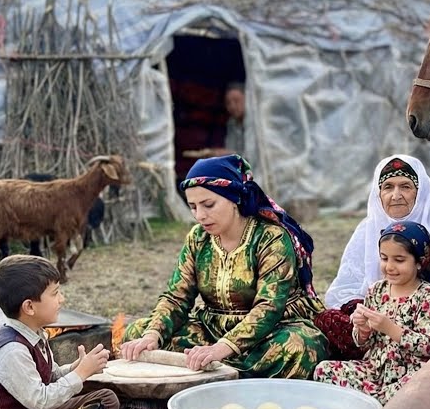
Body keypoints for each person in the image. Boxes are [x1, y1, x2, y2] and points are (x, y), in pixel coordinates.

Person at [119, 154, 328, 378]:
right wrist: (153, 335)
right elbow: (177, 296)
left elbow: (268, 307)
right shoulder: (198, 238)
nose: (200, 215)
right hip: (212, 328)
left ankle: (219, 374)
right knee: (136, 333)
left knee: (301, 346)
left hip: (271, 331)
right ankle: (218, 370)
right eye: (193, 207)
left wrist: (221, 349)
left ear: (234, 198)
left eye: (208, 205)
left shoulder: (271, 237)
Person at [0, 255, 142, 409]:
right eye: (55, 293)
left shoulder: (35, 333)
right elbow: (40, 401)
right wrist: (80, 374)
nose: (62, 299)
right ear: (29, 307)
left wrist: (74, 368)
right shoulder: (11, 349)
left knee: (106, 398)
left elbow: (50, 376)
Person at [317, 154, 430, 359]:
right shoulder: (367, 229)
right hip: (377, 318)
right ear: (378, 193)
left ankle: (410, 362)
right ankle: (382, 359)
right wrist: (361, 313)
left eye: (405, 186)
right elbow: (348, 285)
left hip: (424, 319)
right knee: (328, 319)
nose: (396, 195)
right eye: (388, 187)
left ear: (420, 191)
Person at [313, 221, 430, 403]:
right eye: (384, 258)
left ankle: (372, 403)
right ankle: (376, 403)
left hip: (409, 373)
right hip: (374, 369)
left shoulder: (429, 297)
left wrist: (391, 329)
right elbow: (363, 344)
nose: (389, 267)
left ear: (419, 262)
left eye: (399, 260)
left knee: (414, 389)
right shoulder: (376, 290)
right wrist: (363, 329)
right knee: (324, 370)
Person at [223, 82, 246, 157]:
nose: (232, 106)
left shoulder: (257, 123)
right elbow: (230, 148)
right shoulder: (231, 123)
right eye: (228, 103)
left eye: (236, 101)